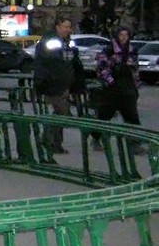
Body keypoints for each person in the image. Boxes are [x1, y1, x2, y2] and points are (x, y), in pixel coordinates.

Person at [33, 16, 85, 155]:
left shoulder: (68, 43)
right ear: (57, 26)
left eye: (69, 27)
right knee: (61, 113)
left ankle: (53, 142)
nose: (68, 30)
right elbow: (48, 63)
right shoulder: (51, 42)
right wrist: (45, 81)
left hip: (64, 84)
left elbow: (73, 62)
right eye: (65, 27)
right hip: (53, 84)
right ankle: (50, 141)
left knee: (61, 113)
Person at [92, 26, 141, 151]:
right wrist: (111, 81)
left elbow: (135, 69)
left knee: (132, 116)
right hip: (112, 88)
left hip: (128, 88)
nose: (124, 38)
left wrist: (135, 85)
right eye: (121, 35)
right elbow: (102, 68)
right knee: (104, 115)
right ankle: (96, 138)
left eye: (126, 35)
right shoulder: (109, 50)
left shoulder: (132, 51)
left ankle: (135, 143)